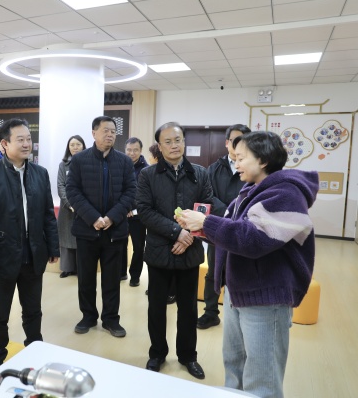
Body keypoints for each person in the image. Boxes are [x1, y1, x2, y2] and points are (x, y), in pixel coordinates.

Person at [177, 131, 318, 398]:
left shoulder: (286, 194)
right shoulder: (251, 190)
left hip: (266, 296)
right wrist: (201, 227)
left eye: (241, 158)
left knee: (262, 377)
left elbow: (253, 239)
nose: (236, 163)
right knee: (235, 364)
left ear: (262, 160)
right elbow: (236, 231)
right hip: (240, 290)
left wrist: (205, 222)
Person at [0, 118, 59, 370]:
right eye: (20, 139)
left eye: (28, 139)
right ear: (4, 144)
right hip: (0, 258)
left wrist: (53, 247)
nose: (26, 144)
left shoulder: (40, 174)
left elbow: (47, 214)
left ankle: (35, 349)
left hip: (33, 254)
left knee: (33, 310)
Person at [136, 122, 213, 379]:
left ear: (184, 141)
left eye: (177, 140)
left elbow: (205, 207)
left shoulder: (200, 173)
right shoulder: (147, 175)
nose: (174, 145)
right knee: (156, 307)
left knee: (189, 309)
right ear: (159, 146)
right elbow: (144, 211)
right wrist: (176, 232)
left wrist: (188, 236)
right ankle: (157, 353)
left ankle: (188, 356)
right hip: (159, 251)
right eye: (167, 141)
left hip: (190, 251)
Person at [66, 116, 136, 338]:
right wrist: (94, 218)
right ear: (94, 133)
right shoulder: (79, 160)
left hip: (114, 231)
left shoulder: (124, 162)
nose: (110, 135)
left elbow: (131, 193)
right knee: (86, 278)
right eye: (106, 130)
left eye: (113, 131)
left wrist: (111, 218)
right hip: (87, 230)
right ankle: (88, 316)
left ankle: (110, 319)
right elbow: (72, 191)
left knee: (112, 279)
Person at [197, 124, 251, 330]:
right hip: (218, 228)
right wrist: (229, 213)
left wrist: (238, 216)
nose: (238, 145)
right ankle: (211, 312)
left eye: (243, 140)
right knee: (213, 271)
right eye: (234, 140)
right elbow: (207, 195)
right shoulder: (214, 168)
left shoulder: (252, 166)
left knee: (240, 272)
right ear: (227, 142)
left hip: (243, 229)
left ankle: (239, 314)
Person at [57, 135, 86, 278]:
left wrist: (82, 205)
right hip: (67, 209)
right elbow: (60, 185)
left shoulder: (88, 163)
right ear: (68, 148)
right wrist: (70, 204)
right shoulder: (63, 165)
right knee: (66, 237)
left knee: (82, 239)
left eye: (78, 144)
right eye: (72, 145)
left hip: (84, 208)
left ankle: (81, 268)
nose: (75, 147)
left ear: (83, 146)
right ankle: (67, 268)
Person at [121, 137, 149, 286]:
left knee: (138, 248)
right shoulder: (119, 165)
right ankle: (121, 273)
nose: (132, 153)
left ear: (140, 151)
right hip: (121, 214)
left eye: (135, 150)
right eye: (129, 150)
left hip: (138, 215)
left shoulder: (146, 169)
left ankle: (135, 276)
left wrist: (133, 208)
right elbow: (117, 189)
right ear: (125, 150)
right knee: (120, 245)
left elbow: (144, 193)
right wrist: (125, 208)